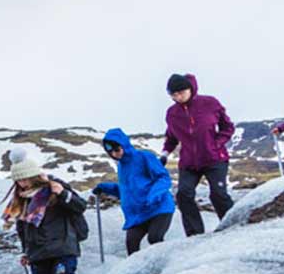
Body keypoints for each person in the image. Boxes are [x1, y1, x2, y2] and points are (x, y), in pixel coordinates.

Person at [3, 150, 87, 274]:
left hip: (62, 246)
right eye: (18, 180)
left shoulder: (54, 187)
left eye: (25, 179)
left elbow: (80, 206)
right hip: (37, 252)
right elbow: (22, 227)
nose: (22, 183)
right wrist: (25, 252)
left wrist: (63, 193)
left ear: (34, 175)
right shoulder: (21, 199)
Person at [160, 73, 235, 236]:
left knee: (218, 194)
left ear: (190, 89)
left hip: (214, 158)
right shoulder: (172, 113)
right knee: (183, 195)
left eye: (181, 92)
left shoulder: (210, 103)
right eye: (174, 95)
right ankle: (195, 234)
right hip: (189, 163)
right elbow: (171, 136)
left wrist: (216, 144)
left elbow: (227, 127)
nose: (178, 97)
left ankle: (232, 226)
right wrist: (165, 153)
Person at [91, 128, 177, 255]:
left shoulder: (144, 157)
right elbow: (127, 192)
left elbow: (163, 178)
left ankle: (166, 267)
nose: (115, 154)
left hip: (159, 208)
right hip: (139, 215)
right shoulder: (121, 167)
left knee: (154, 238)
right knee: (131, 243)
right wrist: (104, 187)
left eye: (117, 149)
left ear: (124, 145)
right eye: (111, 152)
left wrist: (154, 194)